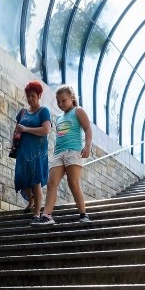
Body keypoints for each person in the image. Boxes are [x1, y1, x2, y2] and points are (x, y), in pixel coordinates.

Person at [32, 84, 93, 226]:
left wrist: (87, 146)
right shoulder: (59, 117)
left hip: (73, 151)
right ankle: (47, 216)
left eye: (63, 100)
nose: (60, 104)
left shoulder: (78, 111)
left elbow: (88, 128)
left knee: (73, 183)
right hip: (59, 153)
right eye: (58, 101)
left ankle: (83, 214)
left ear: (71, 98)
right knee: (51, 182)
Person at [13, 81, 51, 220]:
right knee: (22, 179)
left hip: (38, 152)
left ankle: (36, 212)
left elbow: (46, 130)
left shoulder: (44, 111)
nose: (29, 99)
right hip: (23, 150)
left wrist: (26, 129)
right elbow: (17, 128)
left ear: (39, 95)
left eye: (33, 96)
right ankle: (31, 200)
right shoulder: (23, 112)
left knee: (36, 181)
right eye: (28, 96)